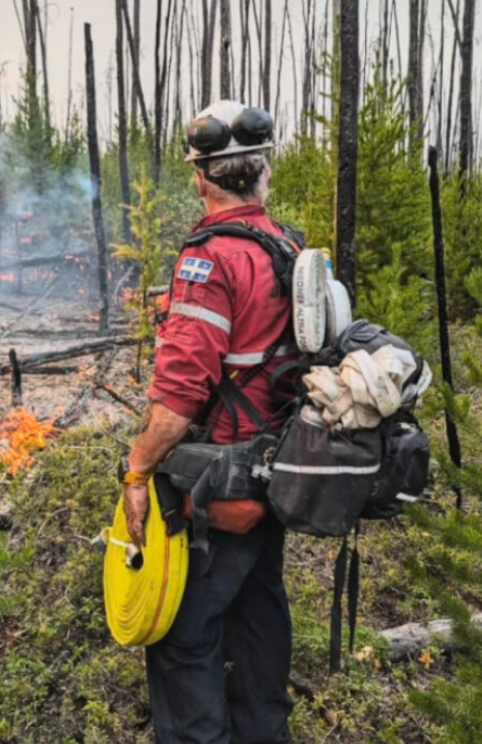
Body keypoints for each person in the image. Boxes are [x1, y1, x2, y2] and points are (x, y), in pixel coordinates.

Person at [122, 100, 300, 743]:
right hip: (276, 476)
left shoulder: (210, 261)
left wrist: (138, 471)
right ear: (264, 174)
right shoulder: (289, 248)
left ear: (201, 179)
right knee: (258, 620)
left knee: (184, 636)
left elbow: (176, 403)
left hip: (221, 487)